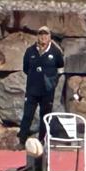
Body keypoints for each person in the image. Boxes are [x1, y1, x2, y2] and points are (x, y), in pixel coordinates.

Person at [18, 26, 65, 154]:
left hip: (47, 90)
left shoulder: (55, 52)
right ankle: (22, 141)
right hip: (32, 89)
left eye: (45, 35)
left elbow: (60, 69)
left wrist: (52, 80)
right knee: (28, 114)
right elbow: (26, 68)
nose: (43, 37)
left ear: (50, 37)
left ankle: (42, 141)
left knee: (45, 116)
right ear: (37, 36)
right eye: (41, 34)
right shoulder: (30, 51)